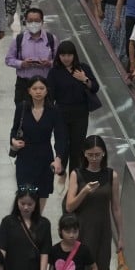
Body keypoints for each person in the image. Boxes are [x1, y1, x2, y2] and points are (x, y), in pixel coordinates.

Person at [63, 135, 125, 270]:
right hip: (82, 227)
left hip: (103, 228)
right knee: (83, 266)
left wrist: (121, 235)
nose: (94, 158)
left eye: (98, 154)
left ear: (104, 153)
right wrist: (84, 191)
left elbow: (116, 207)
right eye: (90, 154)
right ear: (84, 154)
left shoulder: (111, 176)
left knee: (101, 265)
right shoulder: (77, 174)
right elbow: (69, 206)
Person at [9, 78, 67, 212]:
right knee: (25, 191)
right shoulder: (22, 107)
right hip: (25, 156)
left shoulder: (54, 111)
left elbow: (61, 136)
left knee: (41, 192)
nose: (38, 92)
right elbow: (14, 129)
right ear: (29, 91)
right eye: (35, 89)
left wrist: (58, 159)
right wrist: (13, 141)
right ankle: (23, 220)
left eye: (41, 88)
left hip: (44, 157)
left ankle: (37, 222)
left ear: (47, 91)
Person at [46, 42, 99, 175]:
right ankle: (61, 171)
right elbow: (50, 95)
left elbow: (95, 87)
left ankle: (74, 176)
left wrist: (85, 79)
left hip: (80, 114)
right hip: (61, 113)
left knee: (77, 146)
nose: (66, 58)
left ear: (74, 55)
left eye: (69, 55)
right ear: (59, 56)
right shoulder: (54, 72)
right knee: (62, 143)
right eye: (63, 55)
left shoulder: (83, 68)